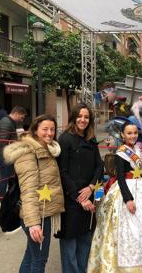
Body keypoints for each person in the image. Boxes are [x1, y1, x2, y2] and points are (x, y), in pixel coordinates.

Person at [87, 122, 142, 273]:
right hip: (126, 190)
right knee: (128, 229)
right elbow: (120, 178)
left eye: (135, 133)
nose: (133, 136)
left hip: (141, 187)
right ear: (122, 135)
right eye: (129, 133)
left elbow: (141, 172)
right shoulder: (121, 153)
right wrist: (128, 199)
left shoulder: (136, 150)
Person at [3, 114, 64, 273]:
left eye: (52, 129)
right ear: (35, 130)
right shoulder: (29, 152)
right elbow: (28, 190)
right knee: (39, 260)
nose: (49, 133)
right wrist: (34, 223)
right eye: (45, 129)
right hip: (38, 215)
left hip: (44, 211)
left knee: (31, 256)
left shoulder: (47, 149)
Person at [56, 103, 104, 273]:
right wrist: (79, 197)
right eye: (80, 116)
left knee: (85, 242)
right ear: (73, 118)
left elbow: (100, 166)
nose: (83, 120)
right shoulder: (65, 139)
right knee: (70, 246)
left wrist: (91, 187)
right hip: (71, 200)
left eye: (86, 117)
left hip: (88, 196)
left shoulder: (91, 139)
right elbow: (62, 172)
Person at [0, 105, 27, 201]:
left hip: (5, 154)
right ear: (16, 113)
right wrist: (18, 142)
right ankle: (3, 200)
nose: (21, 120)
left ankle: (8, 199)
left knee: (8, 177)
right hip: (3, 155)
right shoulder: (6, 122)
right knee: (5, 178)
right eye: (21, 117)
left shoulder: (8, 121)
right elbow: (4, 141)